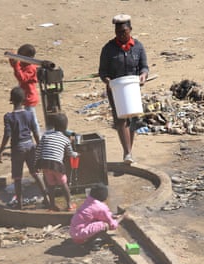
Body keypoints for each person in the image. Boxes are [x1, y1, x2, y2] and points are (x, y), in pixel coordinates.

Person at [99, 14, 149, 164]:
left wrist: (143, 75)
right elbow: (102, 72)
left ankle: (128, 152)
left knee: (132, 119)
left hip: (132, 88)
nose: (121, 35)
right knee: (121, 119)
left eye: (124, 32)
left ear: (130, 30)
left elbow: (144, 67)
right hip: (116, 89)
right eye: (118, 32)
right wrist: (107, 81)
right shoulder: (108, 49)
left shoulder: (138, 47)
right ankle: (127, 153)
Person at [0, 87, 49, 210]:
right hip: (30, 145)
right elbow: (36, 132)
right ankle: (47, 199)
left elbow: (7, 135)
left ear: (11, 100)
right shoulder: (29, 114)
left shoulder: (8, 117)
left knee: (17, 177)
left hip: (17, 148)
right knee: (36, 173)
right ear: (24, 99)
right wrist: (40, 148)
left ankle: (19, 204)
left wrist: (0, 151)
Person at [35, 113, 77, 212]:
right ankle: (69, 205)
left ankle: (52, 206)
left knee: (50, 185)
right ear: (66, 126)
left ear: (54, 126)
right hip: (57, 165)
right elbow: (70, 153)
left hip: (45, 165)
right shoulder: (65, 139)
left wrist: (36, 164)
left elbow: (38, 151)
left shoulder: (45, 136)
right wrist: (76, 154)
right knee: (63, 183)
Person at [69, 183, 126, 250]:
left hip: (74, 233)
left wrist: (113, 216)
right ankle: (89, 243)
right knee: (105, 225)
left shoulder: (88, 201)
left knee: (100, 220)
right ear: (104, 196)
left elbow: (99, 214)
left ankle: (87, 240)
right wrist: (123, 217)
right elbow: (113, 226)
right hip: (80, 237)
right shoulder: (101, 207)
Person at [8, 44, 41, 134]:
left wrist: (16, 66)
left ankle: (40, 139)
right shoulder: (24, 65)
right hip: (25, 97)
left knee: (32, 121)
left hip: (30, 98)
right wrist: (13, 59)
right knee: (26, 119)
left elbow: (22, 78)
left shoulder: (31, 68)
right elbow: (17, 66)